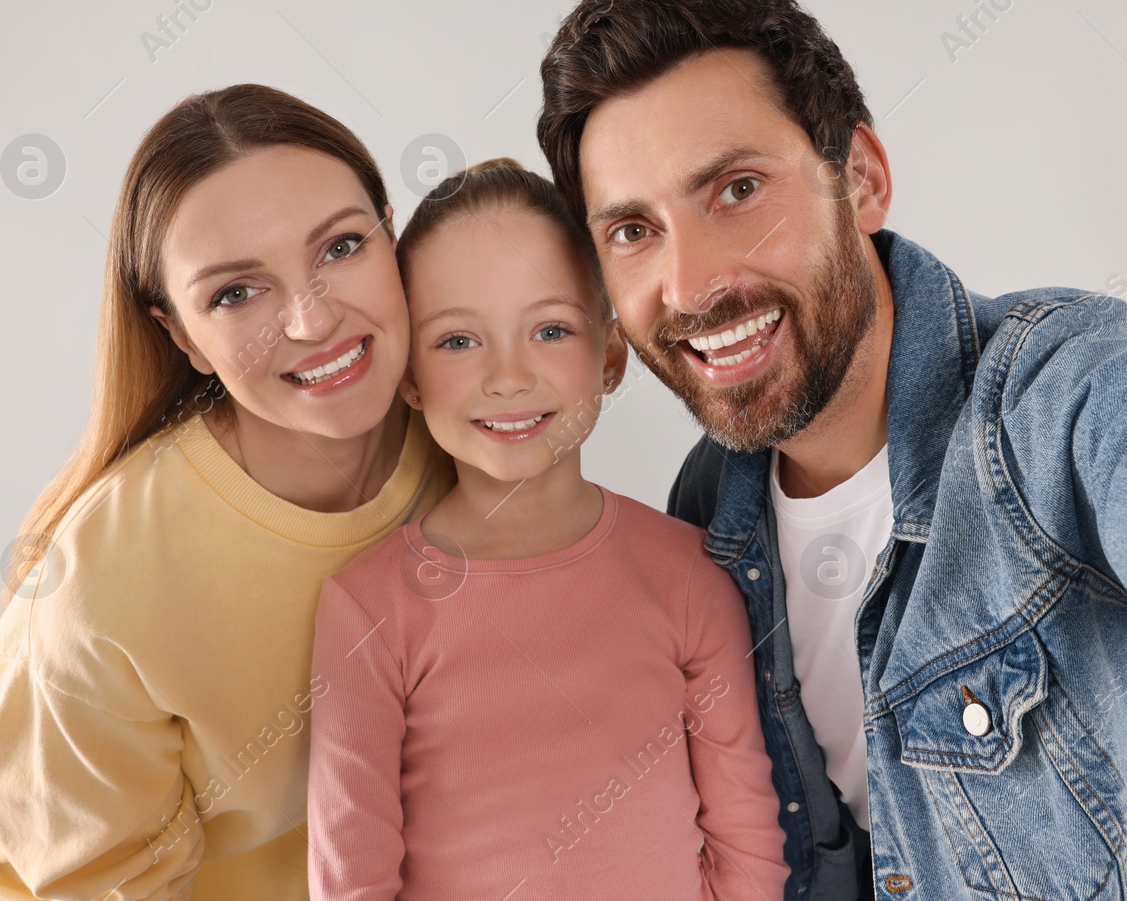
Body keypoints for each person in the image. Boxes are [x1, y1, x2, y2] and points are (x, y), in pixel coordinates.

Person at [535, 0, 1127, 900]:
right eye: (633, 231)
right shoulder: (709, 511)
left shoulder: (1057, 408)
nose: (690, 284)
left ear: (862, 179)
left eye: (736, 190)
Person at [0, 84, 455, 899]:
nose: (311, 320)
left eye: (341, 247)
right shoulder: (106, 582)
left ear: (391, 232)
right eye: (235, 293)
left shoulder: (469, 431)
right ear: (182, 335)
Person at [306, 159, 790, 900]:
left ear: (610, 355)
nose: (507, 375)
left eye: (551, 329)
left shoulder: (690, 576)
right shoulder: (368, 608)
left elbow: (748, 845)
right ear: (408, 375)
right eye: (458, 341)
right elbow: (352, 878)